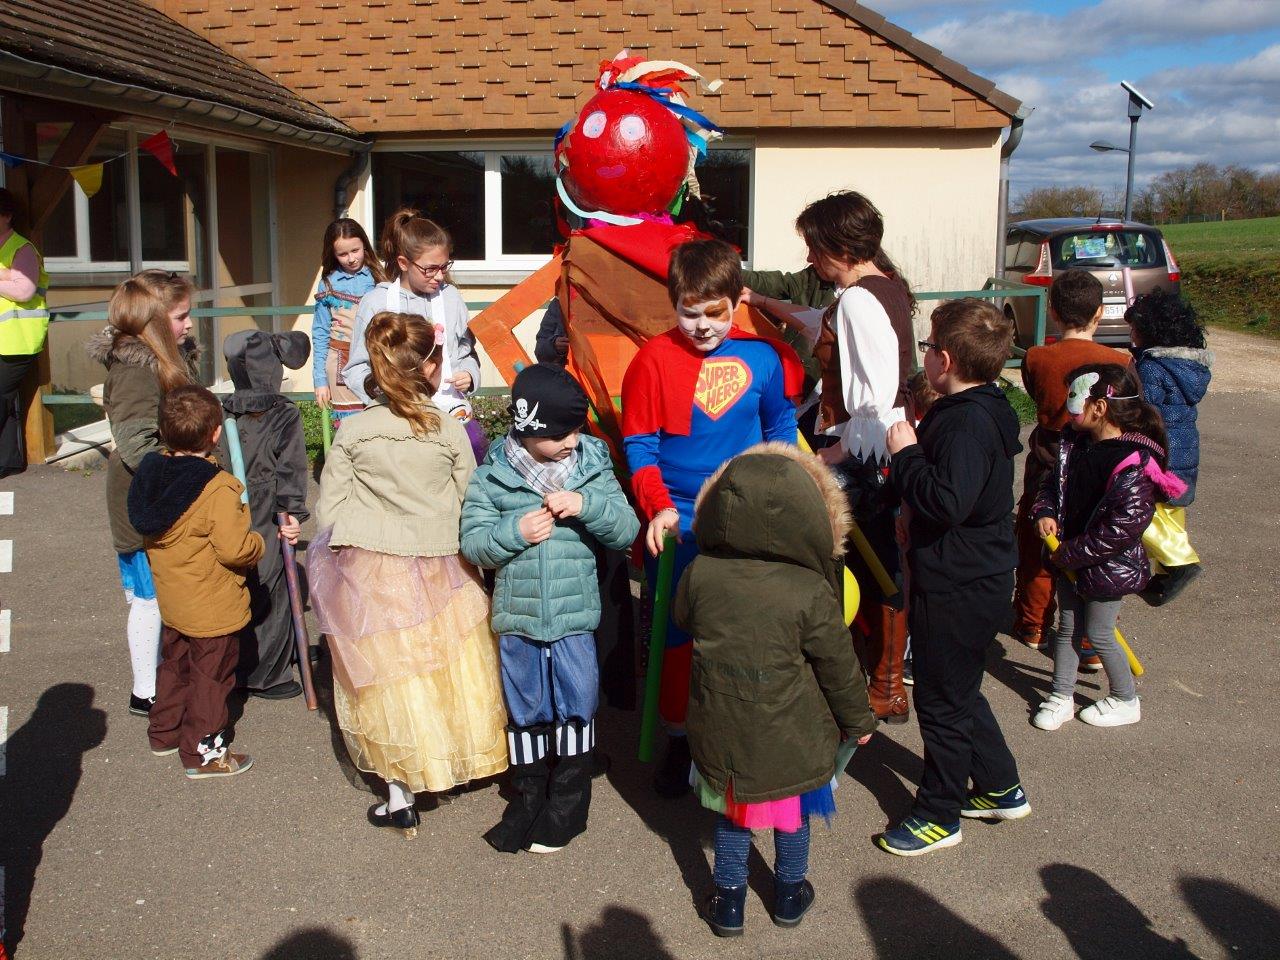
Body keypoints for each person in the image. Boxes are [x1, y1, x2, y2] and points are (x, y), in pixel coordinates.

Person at [309, 311, 507, 836]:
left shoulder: (354, 431)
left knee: (391, 673)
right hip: (445, 562)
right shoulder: (447, 427)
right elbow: (472, 499)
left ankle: (400, 792)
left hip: (374, 565)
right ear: (431, 366)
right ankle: (447, 764)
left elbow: (330, 510)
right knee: (449, 663)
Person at [621, 237, 802, 797]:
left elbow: (780, 433)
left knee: (745, 637)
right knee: (677, 634)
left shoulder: (763, 356)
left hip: (747, 521)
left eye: (715, 313)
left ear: (736, 301)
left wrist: (786, 498)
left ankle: (740, 740)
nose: (701, 326)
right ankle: (678, 737)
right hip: (678, 523)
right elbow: (640, 447)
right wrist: (658, 509)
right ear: (673, 303)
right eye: (688, 313)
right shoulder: (652, 360)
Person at [676, 442, 876, 936]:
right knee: (793, 813)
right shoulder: (810, 588)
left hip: (722, 726)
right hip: (792, 732)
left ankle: (728, 902)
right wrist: (859, 720)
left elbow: (682, 619)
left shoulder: (701, 572)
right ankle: (789, 893)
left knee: (732, 815)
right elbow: (838, 665)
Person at [745, 190, 916, 726]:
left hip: (863, 457)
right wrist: (759, 301)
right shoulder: (873, 290)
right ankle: (877, 682)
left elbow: (879, 399)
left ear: (838, 244)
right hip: (862, 450)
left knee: (871, 569)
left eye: (814, 246)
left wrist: (838, 450)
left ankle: (884, 687)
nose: (809, 259)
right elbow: (817, 322)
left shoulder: (863, 300)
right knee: (869, 568)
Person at [461, 363, 639, 854]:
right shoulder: (493, 478)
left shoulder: (592, 469)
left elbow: (626, 531)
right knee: (526, 711)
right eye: (561, 433)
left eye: (576, 430)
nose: (572, 442)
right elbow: (474, 544)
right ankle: (527, 796)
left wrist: (587, 505)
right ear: (529, 428)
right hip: (517, 619)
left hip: (574, 619)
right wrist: (513, 534)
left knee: (576, 705)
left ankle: (568, 803)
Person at [880, 299, 1029, 856]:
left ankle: (939, 812)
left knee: (941, 703)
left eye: (926, 349)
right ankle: (999, 786)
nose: (923, 359)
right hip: (976, 576)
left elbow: (946, 500)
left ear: (944, 358)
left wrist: (906, 454)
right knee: (960, 688)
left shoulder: (965, 422)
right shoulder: (981, 407)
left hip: (959, 584)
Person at [1030, 363, 1186, 731]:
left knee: (1099, 633)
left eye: (1074, 397)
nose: (1067, 406)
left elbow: (1121, 529)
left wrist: (1068, 553)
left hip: (1105, 567)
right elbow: (1051, 487)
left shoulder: (1134, 461)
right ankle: (1060, 695)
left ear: (1099, 407)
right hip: (1068, 556)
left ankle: (1125, 698)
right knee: (1067, 628)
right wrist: (1045, 511)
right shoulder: (1074, 443)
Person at [127, 385, 264, 778]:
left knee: (175, 664)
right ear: (216, 434)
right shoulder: (217, 488)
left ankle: (164, 731)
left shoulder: (152, 475)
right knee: (211, 677)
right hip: (212, 604)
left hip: (174, 598)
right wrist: (257, 543)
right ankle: (204, 751)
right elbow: (235, 549)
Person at [86, 270, 198, 716]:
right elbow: (137, 445)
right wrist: (192, 471)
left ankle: (159, 680)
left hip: (159, 494)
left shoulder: (164, 358)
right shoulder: (136, 370)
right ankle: (146, 690)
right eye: (180, 317)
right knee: (149, 598)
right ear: (153, 324)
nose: (189, 325)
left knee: (155, 595)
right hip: (147, 500)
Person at [1014, 270, 1130, 654]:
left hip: (1047, 463)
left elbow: (1036, 395)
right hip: (1098, 466)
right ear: (1099, 313)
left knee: (1038, 548)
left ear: (1055, 315)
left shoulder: (1037, 357)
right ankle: (1090, 639)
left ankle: (1033, 624)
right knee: (1094, 546)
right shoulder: (1119, 360)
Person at [342, 208, 488, 462]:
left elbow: (466, 350)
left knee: (471, 453)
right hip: (394, 416)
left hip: (449, 409)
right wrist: (383, 390)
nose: (440, 276)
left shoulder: (450, 298)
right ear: (403, 263)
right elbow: (356, 368)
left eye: (444, 266)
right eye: (430, 269)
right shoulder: (377, 302)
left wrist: (469, 374)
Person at [220, 330, 311, 699]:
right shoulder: (282, 414)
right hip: (268, 503)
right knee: (271, 582)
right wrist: (289, 511)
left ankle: (255, 660)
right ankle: (267, 673)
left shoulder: (223, 409)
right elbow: (291, 467)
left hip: (229, 502)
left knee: (242, 579)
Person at [1126, 290, 1211, 605]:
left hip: (1159, 449)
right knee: (1170, 509)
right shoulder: (1188, 366)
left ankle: (1180, 563)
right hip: (1185, 446)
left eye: (1134, 329)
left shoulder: (1150, 368)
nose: (1130, 335)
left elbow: (1141, 409)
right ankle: (1165, 569)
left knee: (1140, 508)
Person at [313, 218, 385, 426]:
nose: (351, 258)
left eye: (355, 250)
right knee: (350, 428)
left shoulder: (380, 278)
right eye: (343, 254)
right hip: (340, 364)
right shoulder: (327, 284)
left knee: (379, 422)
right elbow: (320, 332)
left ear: (365, 246)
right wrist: (320, 380)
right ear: (332, 254)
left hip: (378, 361)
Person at [0, 188, 49, 476]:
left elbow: (24, 289)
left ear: (6, 216)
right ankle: (8, 461)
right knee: (5, 400)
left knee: (2, 396)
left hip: (17, 341)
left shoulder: (22, 248)